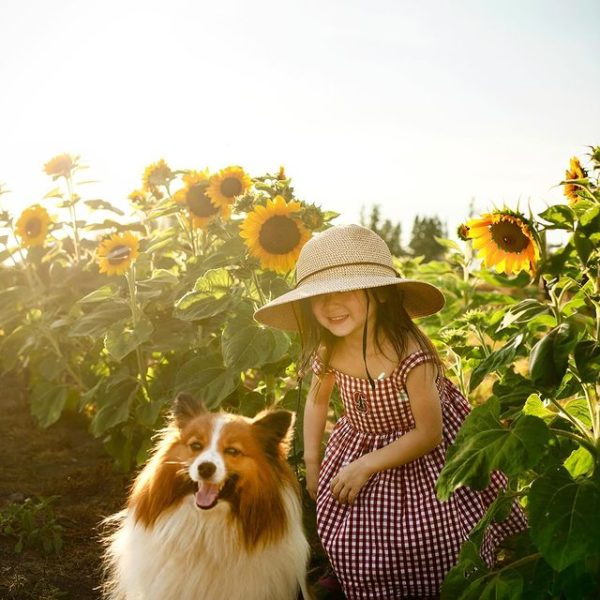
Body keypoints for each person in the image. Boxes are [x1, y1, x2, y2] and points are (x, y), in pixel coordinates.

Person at [254, 224, 527, 600]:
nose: (331, 305)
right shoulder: (330, 350)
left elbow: (428, 433)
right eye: (319, 297)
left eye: (345, 290)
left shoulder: (411, 352)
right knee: (351, 522)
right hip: (361, 440)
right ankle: (359, 578)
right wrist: (313, 462)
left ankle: (436, 586)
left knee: (433, 534)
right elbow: (317, 402)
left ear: (380, 295)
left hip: (425, 454)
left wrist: (365, 465)